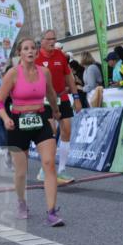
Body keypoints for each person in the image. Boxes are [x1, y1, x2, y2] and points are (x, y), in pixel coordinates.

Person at [0, 38, 64, 226]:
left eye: (33, 48)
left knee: (49, 163)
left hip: (41, 118)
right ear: (20, 53)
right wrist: (6, 118)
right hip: (18, 122)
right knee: (21, 171)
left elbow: (51, 93)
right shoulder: (12, 74)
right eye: (26, 48)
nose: (30, 51)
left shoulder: (44, 72)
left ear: (36, 52)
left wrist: (55, 112)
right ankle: (21, 202)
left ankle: (51, 211)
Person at [35, 29, 81, 184]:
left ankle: (61, 169)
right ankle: (44, 169)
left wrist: (76, 97)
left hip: (62, 96)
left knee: (67, 130)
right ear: (41, 41)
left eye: (54, 39)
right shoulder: (36, 57)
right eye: (49, 39)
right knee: (51, 133)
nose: (52, 42)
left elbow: (69, 76)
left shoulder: (60, 55)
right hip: (44, 99)